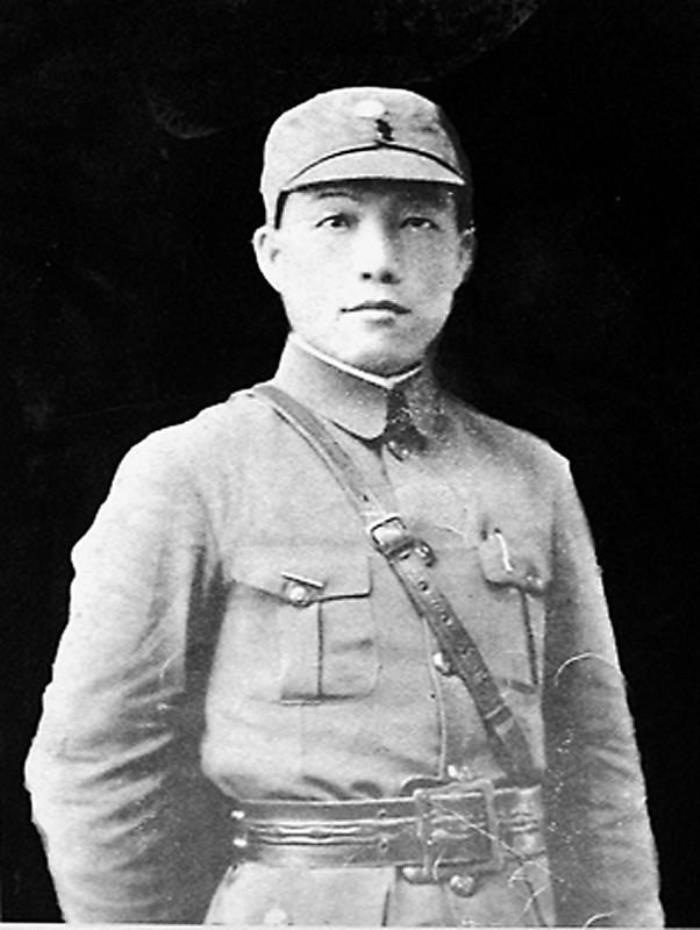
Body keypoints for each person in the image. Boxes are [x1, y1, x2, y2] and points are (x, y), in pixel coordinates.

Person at [26, 86, 663, 927]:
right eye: (335, 221)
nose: (379, 260)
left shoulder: (532, 476)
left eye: (417, 222)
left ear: (464, 254)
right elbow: (95, 769)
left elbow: (599, 769)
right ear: (271, 254)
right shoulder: (189, 473)